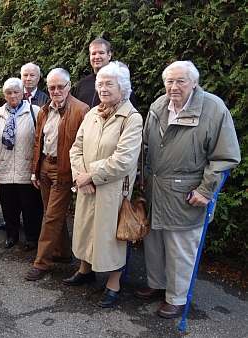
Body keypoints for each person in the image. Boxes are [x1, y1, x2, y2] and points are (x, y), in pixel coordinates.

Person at [135, 61, 241, 318]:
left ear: (194, 82)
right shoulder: (158, 106)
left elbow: (226, 157)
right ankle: (156, 284)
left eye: (181, 81)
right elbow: (145, 146)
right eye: (169, 81)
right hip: (155, 187)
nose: (174, 87)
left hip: (187, 192)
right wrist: (141, 180)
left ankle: (177, 297)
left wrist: (206, 190)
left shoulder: (214, 109)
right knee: (154, 241)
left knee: (180, 247)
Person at [63, 62, 143, 308]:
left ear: (123, 87)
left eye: (110, 84)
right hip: (88, 184)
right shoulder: (92, 114)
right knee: (87, 228)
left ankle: (113, 284)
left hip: (114, 189)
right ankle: (86, 270)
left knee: (111, 236)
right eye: (100, 84)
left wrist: (91, 176)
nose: (104, 89)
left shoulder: (132, 118)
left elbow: (124, 160)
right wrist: (80, 176)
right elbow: (76, 148)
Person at [24, 68, 90, 281]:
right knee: (51, 212)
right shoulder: (44, 110)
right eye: (52, 87)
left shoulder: (81, 110)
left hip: (64, 170)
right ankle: (61, 253)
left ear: (69, 85)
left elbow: (85, 146)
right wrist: (35, 171)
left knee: (51, 217)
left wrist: (81, 174)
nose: (56, 90)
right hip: (44, 167)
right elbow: (37, 141)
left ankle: (41, 263)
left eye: (61, 86)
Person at [0, 78, 43, 250]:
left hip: (27, 169)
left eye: (16, 92)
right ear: (4, 95)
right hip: (5, 168)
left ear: (23, 93)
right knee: (9, 206)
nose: (13, 95)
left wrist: (39, 169)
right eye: (9, 93)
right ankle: (12, 235)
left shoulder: (35, 111)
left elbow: (41, 141)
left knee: (31, 206)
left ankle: (32, 237)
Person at [73, 38, 112, 108]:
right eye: (93, 54)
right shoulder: (82, 84)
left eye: (101, 53)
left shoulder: (119, 82)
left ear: (109, 55)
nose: (97, 57)